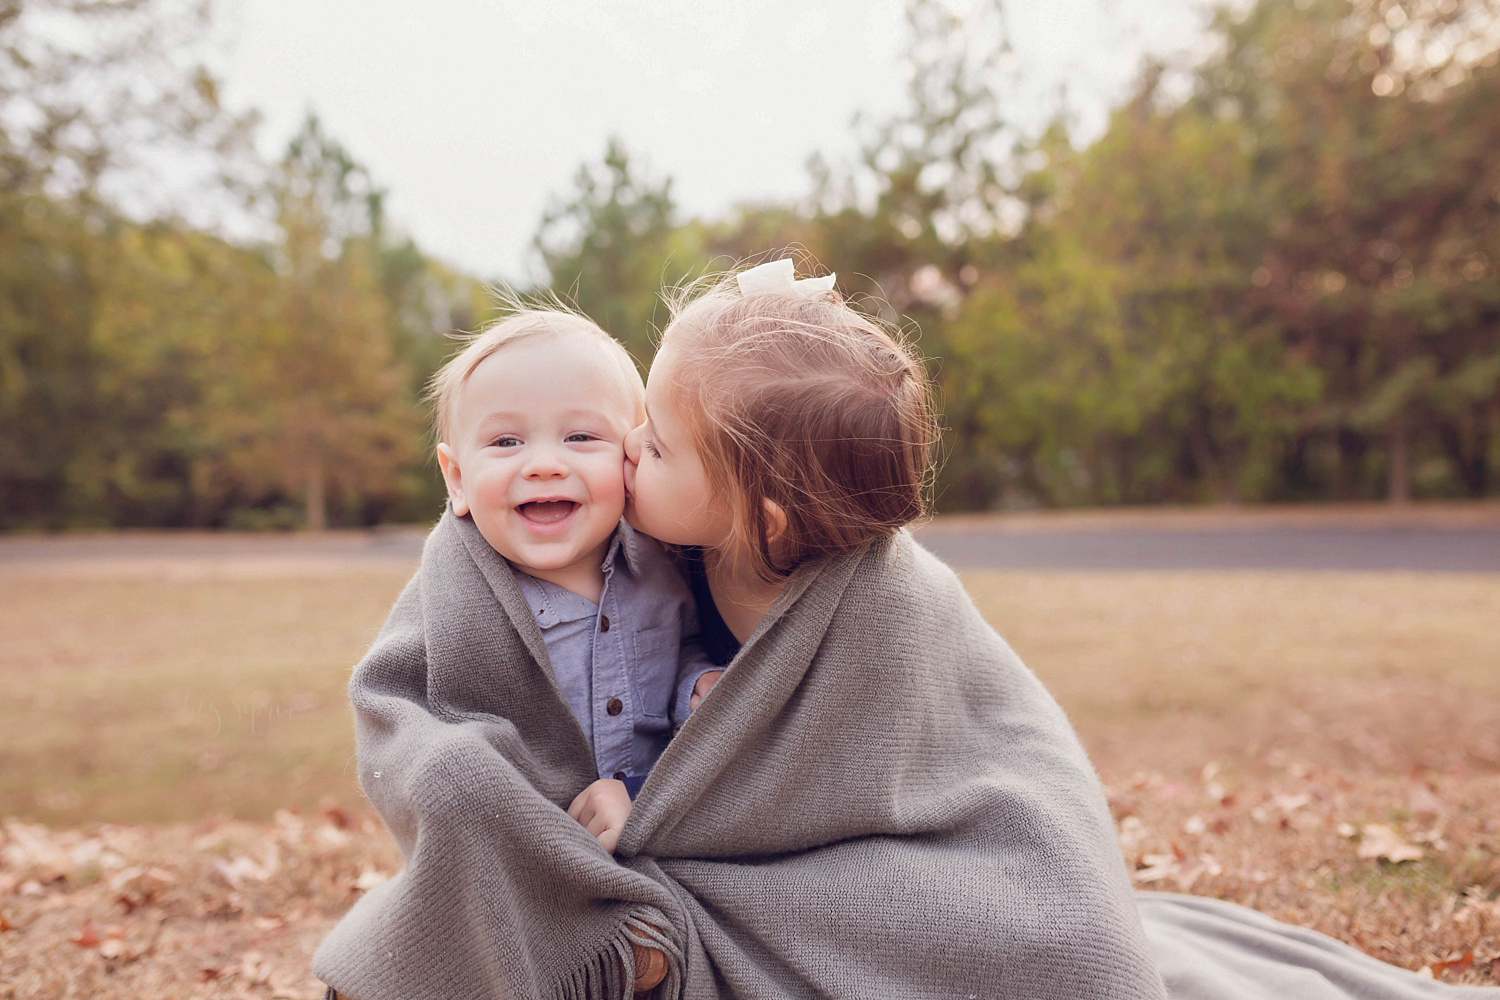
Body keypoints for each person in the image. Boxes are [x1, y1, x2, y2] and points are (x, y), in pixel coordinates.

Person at [425, 307, 713, 853]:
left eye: (580, 436)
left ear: (633, 459)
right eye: (506, 442)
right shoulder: (462, 603)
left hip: (659, 825)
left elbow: (689, 648)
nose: (544, 464)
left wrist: (697, 685)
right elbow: (419, 724)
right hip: (527, 854)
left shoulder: (665, 569)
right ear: (458, 480)